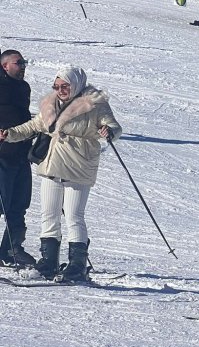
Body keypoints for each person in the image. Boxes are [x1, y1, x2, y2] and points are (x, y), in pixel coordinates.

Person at [0, 66, 121, 282]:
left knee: (74, 216)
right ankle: (49, 261)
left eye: (64, 86)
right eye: (56, 86)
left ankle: (77, 264)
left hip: (78, 166)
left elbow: (113, 126)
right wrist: (9, 134)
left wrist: (108, 131)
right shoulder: (50, 104)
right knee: (49, 214)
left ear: (76, 83)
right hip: (52, 164)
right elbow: (32, 126)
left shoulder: (95, 103)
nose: (60, 90)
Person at [0, 50, 34, 266]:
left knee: (19, 203)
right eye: (18, 62)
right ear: (5, 66)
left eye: (24, 62)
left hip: (21, 154)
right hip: (2, 154)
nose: (23, 66)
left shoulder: (23, 87)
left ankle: (11, 249)